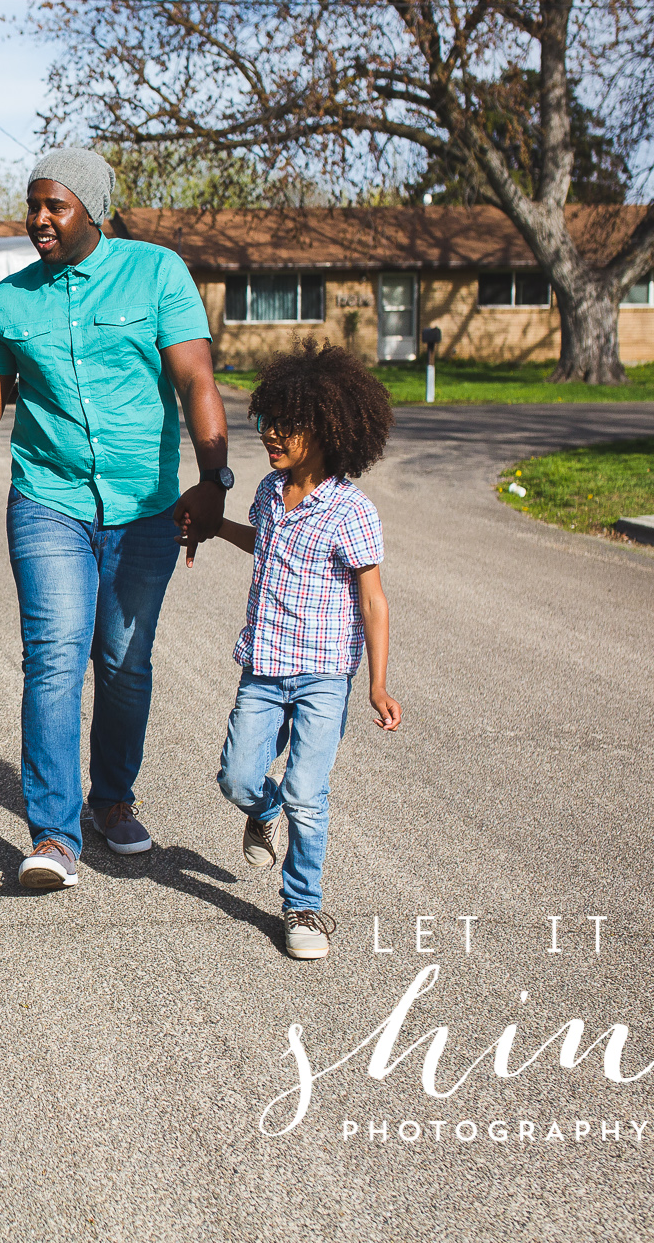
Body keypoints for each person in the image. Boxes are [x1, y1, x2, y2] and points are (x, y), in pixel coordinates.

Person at [0, 146, 233, 890]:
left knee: (123, 662)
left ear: (93, 208)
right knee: (53, 656)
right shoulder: (9, 301)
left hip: (144, 507)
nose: (38, 220)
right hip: (47, 500)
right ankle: (54, 836)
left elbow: (196, 377)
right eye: (32, 206)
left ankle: (113, 799)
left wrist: (215, 477)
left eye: (53, 205)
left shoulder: (157, 274)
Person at [201, 340, 402, 960]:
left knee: (307, 797)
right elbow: (261, 542)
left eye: (288, 426)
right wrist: (213, 527)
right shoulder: (267, 491)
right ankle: (261, 813)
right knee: (237, 777)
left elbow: (372, 600)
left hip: (323, 676)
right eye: (267, 422)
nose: (271, 435)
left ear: (327, 430)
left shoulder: (350, 511)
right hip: (262, 668)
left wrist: (376, 682)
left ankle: (303, 906)